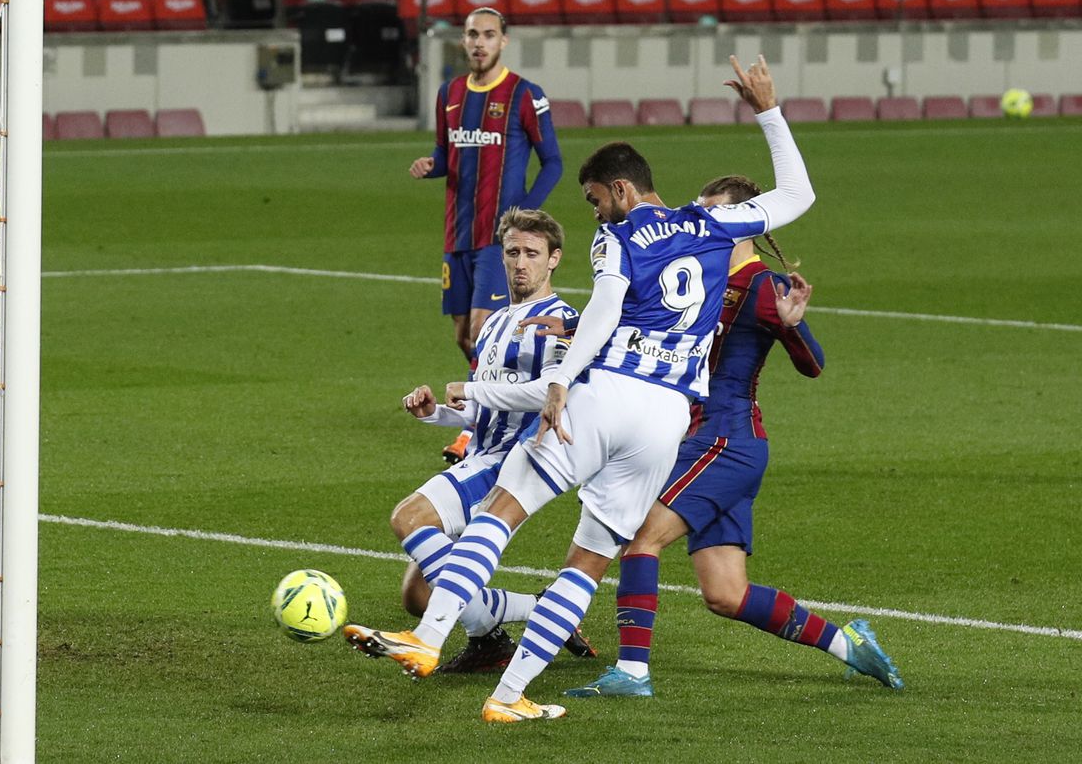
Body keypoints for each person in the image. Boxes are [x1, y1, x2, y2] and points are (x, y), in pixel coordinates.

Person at [346, 55, 817, 722]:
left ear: (620, 191)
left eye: (595, 199)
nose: (595, 211)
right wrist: (768, 109)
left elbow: (601, 311)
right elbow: (799, 196)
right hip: (665, 420)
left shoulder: (619, 235)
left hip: (610, 391)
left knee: (503, 510)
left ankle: (427, 639)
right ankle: (509, 697)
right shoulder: (714, 225)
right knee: (588, 560)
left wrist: (564, 378)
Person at [517, 176, 903, 697]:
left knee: (638, 535)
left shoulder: (760, 285)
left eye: (712, 212)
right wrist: (577, 332)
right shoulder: (701, 274)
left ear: (746, 222)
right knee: (726, 593)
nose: (699, 221)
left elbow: (814, 364)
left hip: (724, 440)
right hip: (707, 441)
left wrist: (791, 325)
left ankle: (632, 672)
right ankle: (850, 645)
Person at [390, 207, 594, 673]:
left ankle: (493, 636)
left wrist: (473, 388)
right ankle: (535, 614)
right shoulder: (496, 323)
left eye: (532, 253)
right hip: (479, 453)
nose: (521, 263)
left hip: (511, 464)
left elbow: (551, 394)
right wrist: (437, 413)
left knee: (407, 517)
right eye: (512, 252)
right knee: (418, 596)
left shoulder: (564, 325)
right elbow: (482, 408)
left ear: (554, 259)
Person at [410, 7, 564, 464]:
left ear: (504, 41)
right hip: (457, 232)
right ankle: (497, 410)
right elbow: (445, 152)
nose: (479, 42)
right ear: (463, 40)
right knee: (464, 335)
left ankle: (474, 430)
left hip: (497, 240)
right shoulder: (450, 93)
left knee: (482, 332)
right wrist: (430, 166)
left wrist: (527, 215)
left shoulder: (523, 94)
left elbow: (552, 160)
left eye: (488, 35)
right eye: (472, 34)